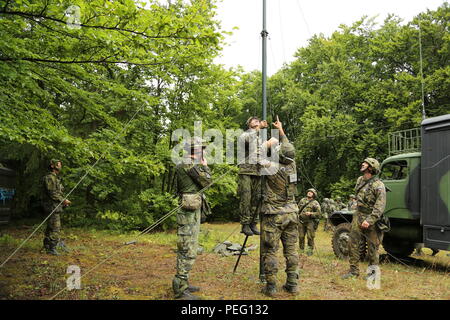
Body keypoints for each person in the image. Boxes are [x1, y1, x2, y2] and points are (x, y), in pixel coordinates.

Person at [260, 116, 300, 297]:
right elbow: (288, 149)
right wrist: (281, 131)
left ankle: (271, 287)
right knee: (291, 250)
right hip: (292, 213)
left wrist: (268, 144)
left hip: (273, 215)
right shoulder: (293, 166)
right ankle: (292, 284)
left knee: (271, 251)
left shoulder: (271, 166)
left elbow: (256, 156)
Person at [172, 138, 212, 300]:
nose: (203, 151)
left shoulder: (186, 164)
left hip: (190, 211)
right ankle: (180, 289)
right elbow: (207, 181)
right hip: (188, 213)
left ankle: (184, 282)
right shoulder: (189, 165)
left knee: (189, 246)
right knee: (187, 248)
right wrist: (205, 165)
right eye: (201, 148)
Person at [342, 158, 386, 279]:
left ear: (370, 168)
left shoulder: (379, 185)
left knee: (373, 248)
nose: (362, 164)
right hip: (358, 215)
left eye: (365, 163)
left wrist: (370, 220)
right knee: (352, 243)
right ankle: (353, 271)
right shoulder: (360, 180)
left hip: (372, 219)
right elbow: (358, 196)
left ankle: (372, 275)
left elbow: (380, 206)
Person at [237, 116, 268, 236]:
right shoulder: (245, 135)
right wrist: (258, 128)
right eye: (253, 121)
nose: (256, 122)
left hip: (257, 172)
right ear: (249, 124)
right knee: (246, 198)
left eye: (258, 121)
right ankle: (245, 224)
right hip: (246, 171)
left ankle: (253, 223)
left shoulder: (259, 139)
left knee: (257, 198)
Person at [42, 159, 71, 255]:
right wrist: (63, 200)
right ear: (52, 166)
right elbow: (52, 193)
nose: (60, 166)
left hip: (55, 206)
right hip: (51, 207)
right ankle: (52, 248)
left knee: (50, 227)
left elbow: (58, 192)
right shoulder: (50, 178)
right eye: (58, 164)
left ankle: (47, 245)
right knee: (55, 228)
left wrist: (63, 202)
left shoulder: (56, 178)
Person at [297, 188, 321, 256]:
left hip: (310, 222)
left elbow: (319, 214)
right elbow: (297, 209)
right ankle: (301, 250)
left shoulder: (315, 203)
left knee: (310, 237)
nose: (309, 193)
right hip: (301, 221)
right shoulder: (302, 200)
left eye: (311, 192)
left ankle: (309, 251)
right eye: (309, 192)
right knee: (301, 237)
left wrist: (311, 213)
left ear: (314, 194)